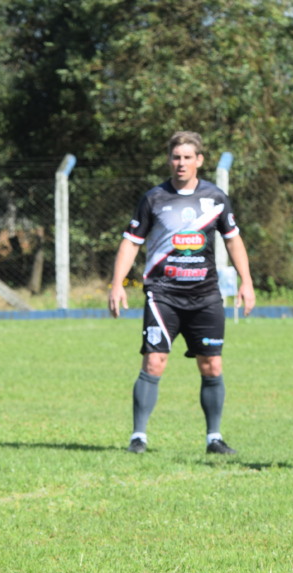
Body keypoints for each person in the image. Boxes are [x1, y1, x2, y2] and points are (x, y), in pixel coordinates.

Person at [107, 130, 255, 455]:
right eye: (176, 157)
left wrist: (246, 281)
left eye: (188, 157)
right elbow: (131, 242)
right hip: (163, 294)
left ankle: (214, 438)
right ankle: (138, 437)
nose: (181, 163)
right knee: (154, 361)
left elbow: (233, 239)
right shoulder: (153, 198)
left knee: (212, 365)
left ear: (199, 161)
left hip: (205, 296)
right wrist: (117, 283)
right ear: (169, 160)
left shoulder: (215, 198)